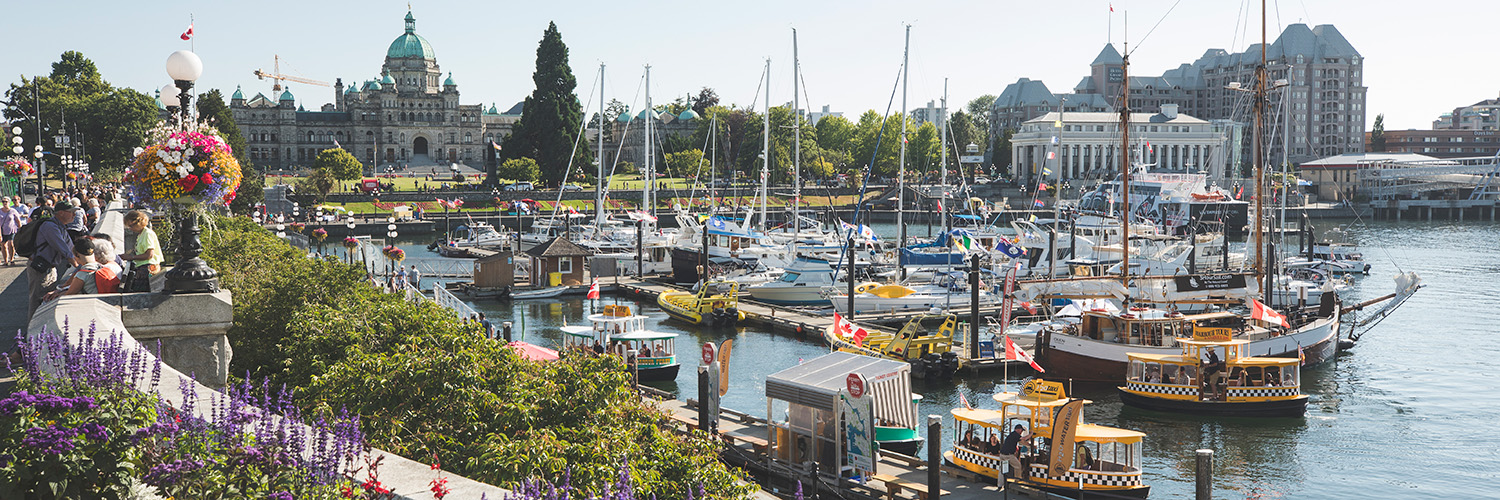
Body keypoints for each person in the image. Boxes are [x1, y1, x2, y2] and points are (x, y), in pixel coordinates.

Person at [27, 203, 74, 319]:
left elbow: (72, 249)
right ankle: (33, 327)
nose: (74, 215)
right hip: (40, 267)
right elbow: (63, 249)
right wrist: (78, 266)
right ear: (61, 213)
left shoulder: (61, 227)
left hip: (50, 267)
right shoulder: (50, 226)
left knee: (48, 298)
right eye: (71, 212)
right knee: (38, 299)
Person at [119, 211, 163, 293]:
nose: (130, 229)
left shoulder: (147, 234)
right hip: (142, 266)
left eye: (131, 226)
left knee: (141, 292)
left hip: (148, 267)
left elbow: (149, 255)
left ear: (138, 223)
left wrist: (131, 257)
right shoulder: (141, 234)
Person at [0, 197, 21, 266]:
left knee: (11, 244)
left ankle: (11, 259)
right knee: (3, 245)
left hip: (11, 230)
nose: (4, 203)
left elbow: (18, 221)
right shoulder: (0, 211)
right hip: (2, 230)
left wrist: (20, 230)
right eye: (3, 202)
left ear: (9, 202)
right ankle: (5, 261)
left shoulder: (13, 211)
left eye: (6, 201)